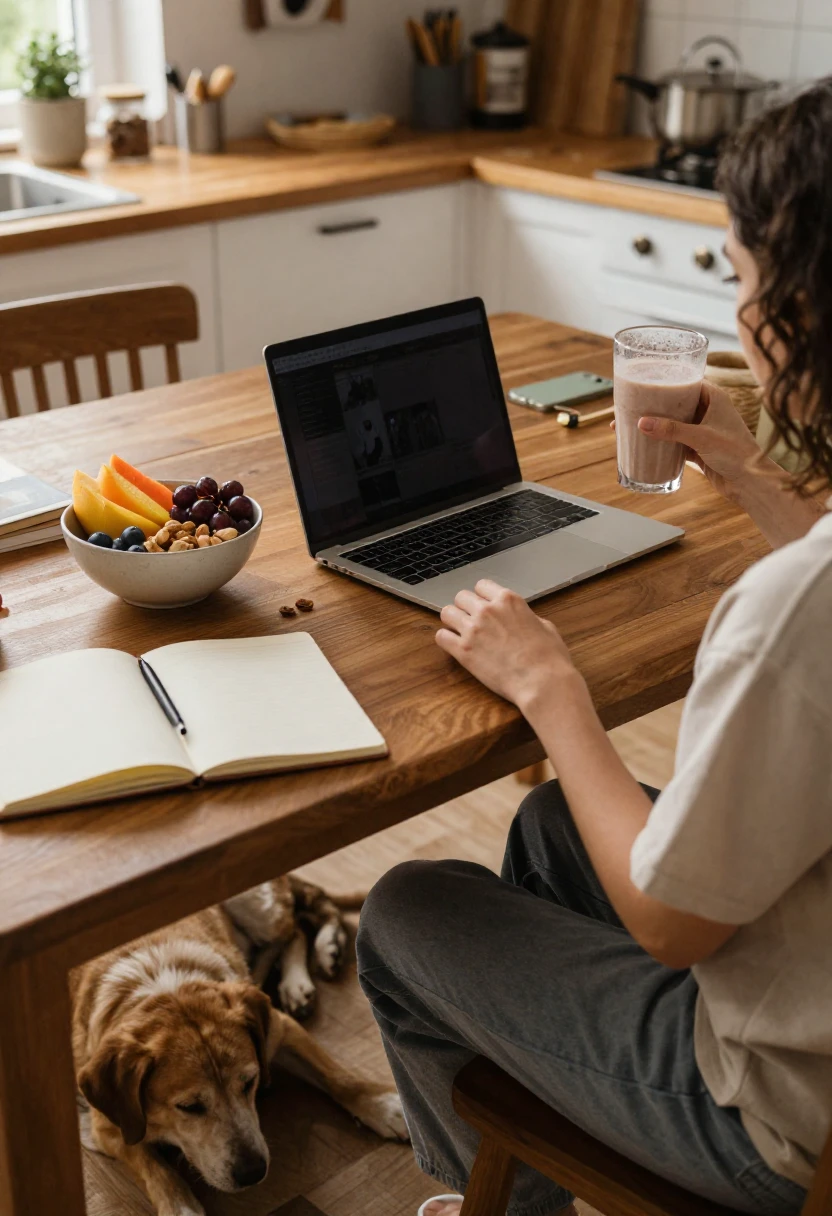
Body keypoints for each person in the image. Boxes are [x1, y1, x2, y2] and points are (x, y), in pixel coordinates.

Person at [357, 78, 832, 1216]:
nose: (737, 311)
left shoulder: (788, 613)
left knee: (406, 907)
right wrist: (751, 466)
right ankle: (523, 1176)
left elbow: (671, 927)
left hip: (773, 1110)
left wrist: (548, 683)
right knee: (547, 825)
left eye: (741, 276)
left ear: (800, 311)